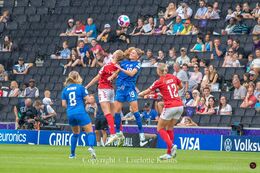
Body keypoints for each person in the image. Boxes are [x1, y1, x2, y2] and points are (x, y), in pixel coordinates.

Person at [139, 63, 183, 160]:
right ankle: (169, 154)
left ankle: (171, 146)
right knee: (169, 128)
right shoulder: (173, 76)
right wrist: (167, 92)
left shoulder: (159, 81)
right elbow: (181, 86)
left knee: (159, 128)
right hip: (179, 105)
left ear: (158, 71)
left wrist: (139, 94)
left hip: (170, 106)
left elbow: (146, 91)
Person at [108, 47, 147, 147]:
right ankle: (118, 133)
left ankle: (142, 136)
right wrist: (112, 76)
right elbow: (117, 72)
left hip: (130, 89)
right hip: (120, 89)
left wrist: (120, 68)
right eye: (131, 52)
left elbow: (131, 74)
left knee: (136, 112)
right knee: (116, 111)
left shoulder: (137, 64)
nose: (131, 54)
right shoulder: (124, 62)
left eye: (133, 53)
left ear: (137, 56)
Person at [86, 50, 124, 145]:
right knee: (113, 114)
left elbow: (96, 78)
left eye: (113, 53)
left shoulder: (107, 66)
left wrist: (87, 86)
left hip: (103, 89)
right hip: (111, 90)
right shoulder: (118, 67)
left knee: (106, 113)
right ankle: (120, 132)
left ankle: (112, 134)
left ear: (115, 56)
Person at [61, 71, 96, 159]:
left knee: (75, 133)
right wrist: (84, 101)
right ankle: (91, 147)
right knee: (90, 132)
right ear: (78, 78)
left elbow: (63, 104)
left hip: (70, 113)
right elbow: (89, 100)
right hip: (80, 112)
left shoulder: (65, 89)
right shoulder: (81, 88)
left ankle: (72, 154)